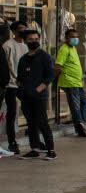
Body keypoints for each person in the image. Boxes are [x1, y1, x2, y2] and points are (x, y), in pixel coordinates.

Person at [16, 30, 56, 160]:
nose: (34, 41)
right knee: (31, 123)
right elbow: (19, 78)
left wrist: (38, 90)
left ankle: (51, 150)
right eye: (30, 39)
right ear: (25, 41)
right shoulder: (23, 59)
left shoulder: (45, 56)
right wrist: (21, 90)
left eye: (36, 39)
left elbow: (50, 76)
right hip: (26, 96)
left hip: (39, 97)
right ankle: (34, 149)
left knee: (42, 122)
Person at [54, 29, 86, 137]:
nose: (75, 39)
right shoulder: (64, 49)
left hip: (77, 82)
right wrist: (58, 79)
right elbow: (57, 66)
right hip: (69, 82)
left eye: (77, 36)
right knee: (75, 106)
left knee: (85, 103)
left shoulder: (73, 48)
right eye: (72, 37)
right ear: (66, 38)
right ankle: (81, 127)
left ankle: (81, 126)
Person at [4, 20, 27, 154]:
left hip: (24, 84)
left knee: (30, 111)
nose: (23, 31)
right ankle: (12, 141)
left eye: (25, 28)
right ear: (13, 31)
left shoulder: (26, 46)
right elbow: (8, 65)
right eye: (20, 29)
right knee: (12, 114)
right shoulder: (8, 46)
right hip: (11, 85)